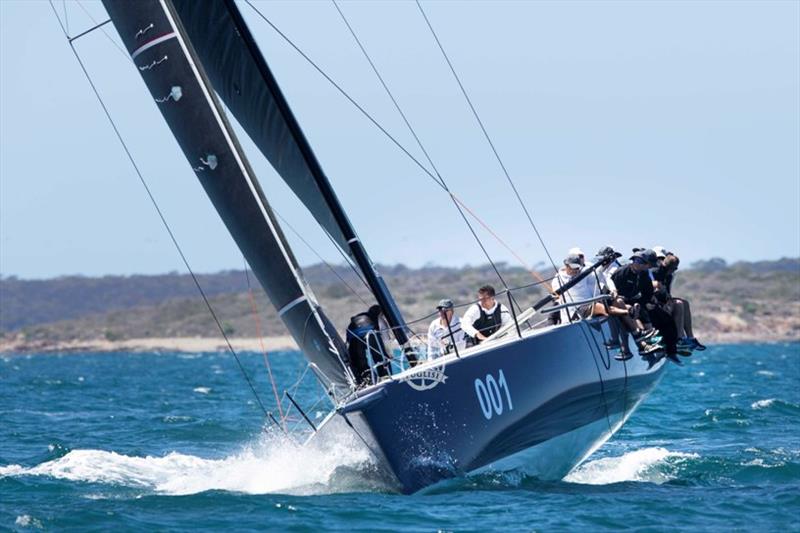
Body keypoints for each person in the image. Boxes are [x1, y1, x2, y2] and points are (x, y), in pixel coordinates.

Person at [611, 249, 679, 361]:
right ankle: (644, 343)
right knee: (634, 312)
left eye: (640, 261)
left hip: (638, 302)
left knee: (666, 318)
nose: (637, 263)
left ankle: (670, 350)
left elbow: (647, 293)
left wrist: (648, 303)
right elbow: (611, 295)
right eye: (636, 260)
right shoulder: (621, 273)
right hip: (621, 303)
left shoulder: (643, 274)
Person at [651, 253, 706, 351]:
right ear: (670, 267)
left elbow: (666, 293)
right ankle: (679, 338)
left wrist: (668, 301)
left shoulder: (669, 276)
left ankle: (690, 337)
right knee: (679, 304)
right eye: (674, 269)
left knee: (684, 302)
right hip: (654, 302)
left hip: (663, 300)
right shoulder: (654, 272)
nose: (674, 271)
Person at [551, 253, 605, 322]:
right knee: (600, 308)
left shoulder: (584, 273)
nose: (576, 270)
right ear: (566, 266)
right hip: (573, 314)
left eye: (577, 268)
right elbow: (556, 298)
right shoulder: (557, 280)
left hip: (589, 306)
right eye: (573, 267)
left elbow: (599, 277)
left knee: (614, 302)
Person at [346, 305, 391, 385]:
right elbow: (385, 337)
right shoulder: (377, 318)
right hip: (369, 332)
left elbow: (348, 342)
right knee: (380, 358)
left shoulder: (356, 318)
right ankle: (386, 377)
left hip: (354, 336)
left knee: (360, 365)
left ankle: (367, 380)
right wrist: (388, 353)